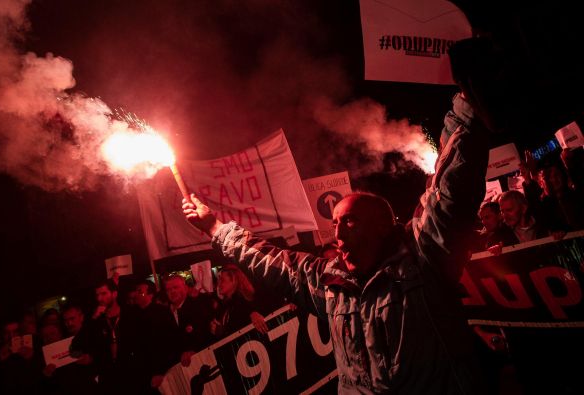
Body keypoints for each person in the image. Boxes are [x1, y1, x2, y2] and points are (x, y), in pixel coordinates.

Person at [183, 93, 488, 393]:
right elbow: (270, 261)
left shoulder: (422, 258)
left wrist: (465, 108)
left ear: (383, 225)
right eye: (335, 224)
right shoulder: (330, 283)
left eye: (350, 221)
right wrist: (214, 227)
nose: (338, 234)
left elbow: (451, 191)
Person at [211, 264, 268, 338]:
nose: (219, 284)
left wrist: (253, 312)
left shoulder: (244, 303)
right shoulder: (225, 306)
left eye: (222, 280)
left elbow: (238, 330)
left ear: (234, 280)